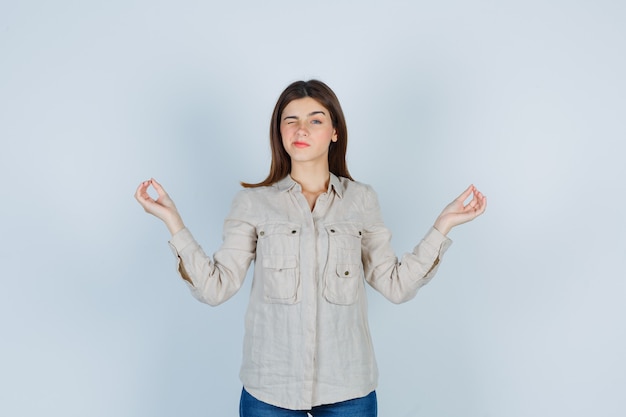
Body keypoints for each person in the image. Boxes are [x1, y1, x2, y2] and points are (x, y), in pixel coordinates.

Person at [135, 79, 487, 416]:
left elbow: (395, 285)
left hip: (349, 391)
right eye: (291, 120)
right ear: (280, 133)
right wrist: (173, 222)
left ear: (335, 132)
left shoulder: (361, 200)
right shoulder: (252, 203)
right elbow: (215, 287)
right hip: (269, 392)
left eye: (315, 120)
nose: (301, 129)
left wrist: (443, 225)